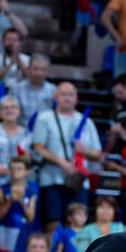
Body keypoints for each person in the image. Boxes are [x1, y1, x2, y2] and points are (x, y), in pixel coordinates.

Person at [31, 81, 103, 239]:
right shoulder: (45, 118)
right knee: (52, 223)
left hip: (78, 181)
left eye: (71, 94)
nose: (67, 98)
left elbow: (98, 154)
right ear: (55, 96)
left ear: (76, 98)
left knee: (78, 223)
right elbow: (38, 147)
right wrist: (61, 162)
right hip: (52, 179)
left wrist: (84, 150)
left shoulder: (86, 122)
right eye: (63, 94)